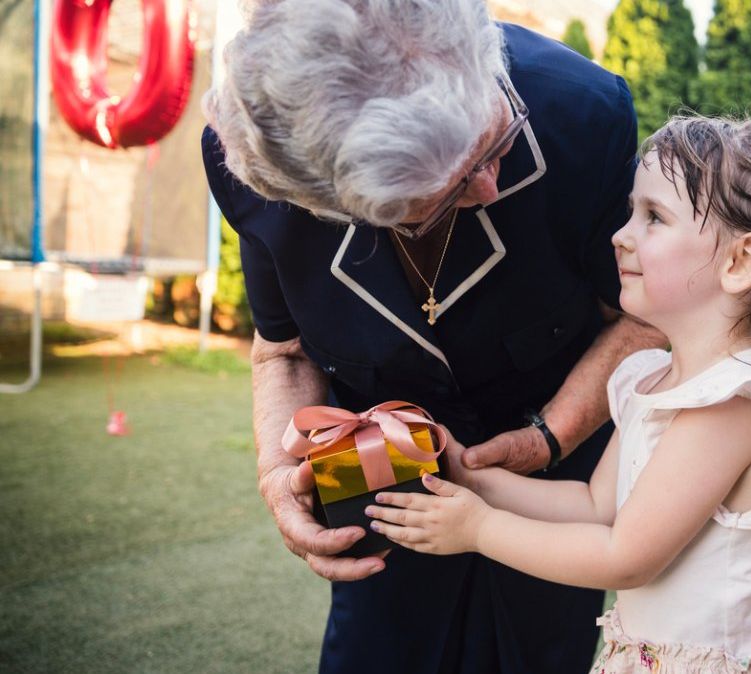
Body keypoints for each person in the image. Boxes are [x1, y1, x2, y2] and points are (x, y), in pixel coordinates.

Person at [200, 0, 664, 672]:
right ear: (330, 200)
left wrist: (546, 437)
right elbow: (286, 349)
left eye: (497, 141)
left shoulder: (583, 111)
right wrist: (279, 476)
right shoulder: (250, 163)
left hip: (557, 474)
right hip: (373, 469)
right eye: (443, 195)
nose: (490, 183)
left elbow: (642, 318)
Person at [366, 112, 751, 673]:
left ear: (740, 262)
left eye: (654, 218)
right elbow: (595, 508)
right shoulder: (653, 379)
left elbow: (624, 559)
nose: (621, 236)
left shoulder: (729, 405)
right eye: (630, 213)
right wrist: (475, 479)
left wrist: (478, 529)